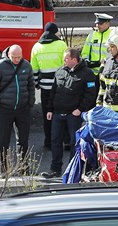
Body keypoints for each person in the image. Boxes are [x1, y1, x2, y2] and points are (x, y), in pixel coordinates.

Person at [40, 48, 97, 179]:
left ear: (74, 59)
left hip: (74, 114)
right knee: (55, 141)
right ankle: (55, 169)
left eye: (66, 58)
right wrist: (50, 109)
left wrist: (80, 109)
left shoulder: (87, 73)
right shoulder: (60, 71)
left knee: (74, 142)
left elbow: (90, 94)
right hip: (58, 113)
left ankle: (73, 170)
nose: (64, 61)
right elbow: (53, 91)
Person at [0, 44, 35, 175]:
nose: (17, 60)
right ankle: (2, 168)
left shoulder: (26, 66)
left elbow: (31, 84)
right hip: (4, 109)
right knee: (2, 140)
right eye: (14, 57)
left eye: (19, 57)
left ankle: (23, 167)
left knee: (23, 140)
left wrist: (31, 102)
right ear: (8, 55)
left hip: (22, 108)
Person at [30, 22, 68, 150]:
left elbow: (34, 69)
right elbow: (67, 65)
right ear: (54, 32)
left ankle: (49, 142)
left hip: (45, 88)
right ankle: (66, 141)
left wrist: (36, 83)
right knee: (63, 113)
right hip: (60, 87)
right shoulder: (61, 45)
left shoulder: (36, 47)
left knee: (47, 115)